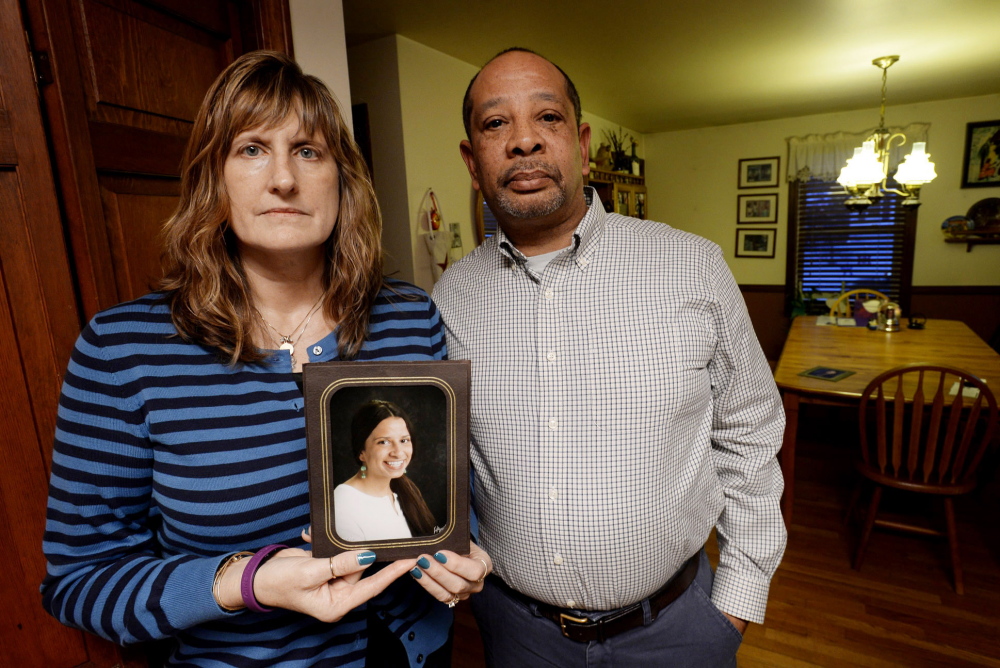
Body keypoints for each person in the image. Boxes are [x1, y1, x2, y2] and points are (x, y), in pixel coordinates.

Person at [40, 51, 457, 667]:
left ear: (343, 180)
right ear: (214, 176)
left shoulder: (409, 318)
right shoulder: (124, 350)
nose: (283, 178)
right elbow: (79, 580)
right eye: (252, 149)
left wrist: (462, 554)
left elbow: (440, 493)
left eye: (309, 152)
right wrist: (246, 582)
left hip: (409, 653)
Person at [431, 47, 788, 666]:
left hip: (680, 630)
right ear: (472, 159)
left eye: (548, 117)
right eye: (496, 123)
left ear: (582, 142)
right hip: (517, 635)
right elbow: (441, 456)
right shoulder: (450, 299)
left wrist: (736, 599)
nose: (524, 142)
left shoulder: (691, 268)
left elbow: (751, 430)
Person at [335, 400, 437, 541]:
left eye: (404, 440)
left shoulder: (405, 491)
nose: (398, 452)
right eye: (384, 442)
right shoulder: (343, 503)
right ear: (361, 452)